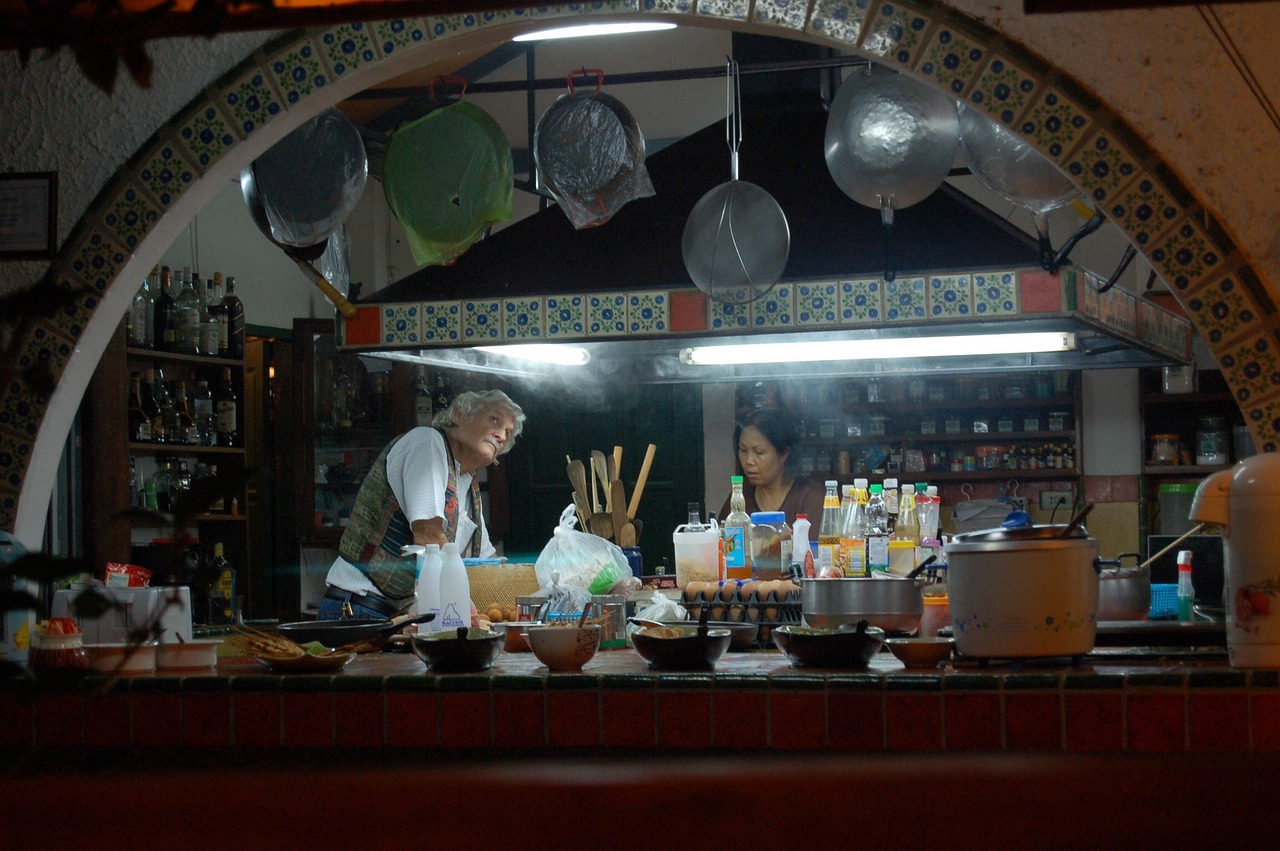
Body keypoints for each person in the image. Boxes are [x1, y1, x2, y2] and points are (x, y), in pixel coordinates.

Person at [317, 389, 526, 621]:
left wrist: (534, 595)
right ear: (458, 415)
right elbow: (428, 535)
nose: (502, 436)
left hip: (399, 617)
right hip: (359, 609)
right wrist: (459, 601)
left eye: (508, 432)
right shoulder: (426, 442)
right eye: (494, 420)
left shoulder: (467, 482)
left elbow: (487, 564)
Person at [718, 406, 825, 526]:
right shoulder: (739, 498)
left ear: (784, 453)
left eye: (759, 452)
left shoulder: (810, 495)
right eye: (743, 450)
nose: (749, 461)